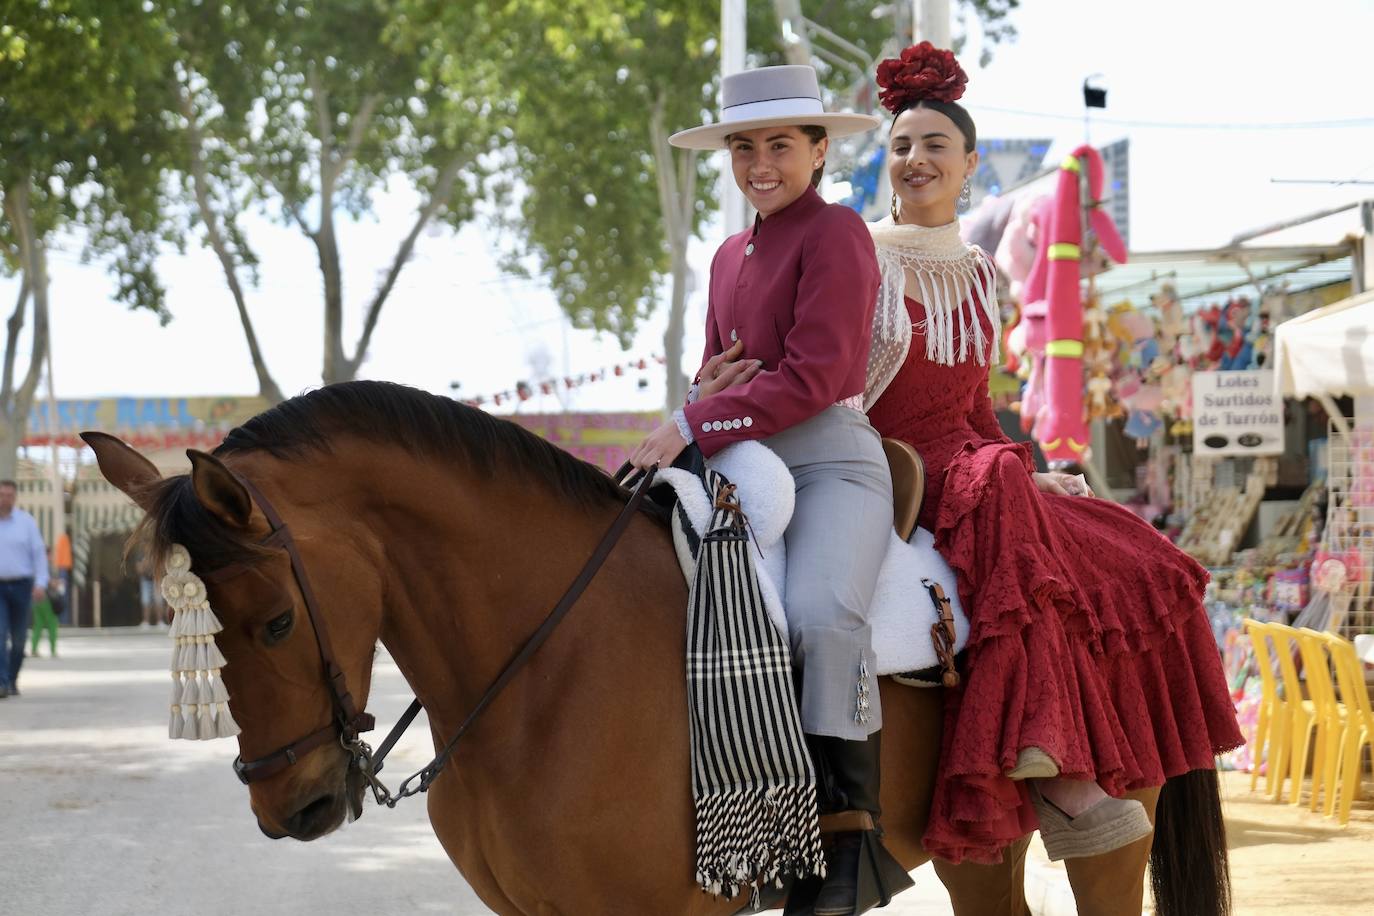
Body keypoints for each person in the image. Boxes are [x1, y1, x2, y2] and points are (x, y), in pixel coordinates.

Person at [861, 43, 1243, 863]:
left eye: (935, 145)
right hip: (894, 470)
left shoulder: (977, 274)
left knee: (1144, 554)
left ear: (969, 167)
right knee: (1004, 476)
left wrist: (1035, 471)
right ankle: (1047, 763)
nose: (916, 158)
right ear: (885, 164)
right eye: (901, 145)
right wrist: (1005, 469)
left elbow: (975, 407)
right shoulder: (860, 258)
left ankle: (1143, 759)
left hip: (977, 466)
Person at [629, 65, 900, 914]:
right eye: (744, 147)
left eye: (780, 145)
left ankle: (848, 841)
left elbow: (817, 373)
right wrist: (703, 388)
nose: (758, 164)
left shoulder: (840, 235)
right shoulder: (722, 255)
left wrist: (696, 419)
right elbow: (727, 371)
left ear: (819, 151)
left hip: (829, 462)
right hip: (740, 461)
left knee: (821, 615)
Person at [0, 479, 50, 698]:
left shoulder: (26, 522)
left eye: (9, 495)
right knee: (0, 634)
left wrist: (41, 583)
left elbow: (38, 555)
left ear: (15, 497)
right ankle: (1, 682)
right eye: (1, 495)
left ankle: (11, 679)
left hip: (22, 585)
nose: (5, 499)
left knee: (19, 638)